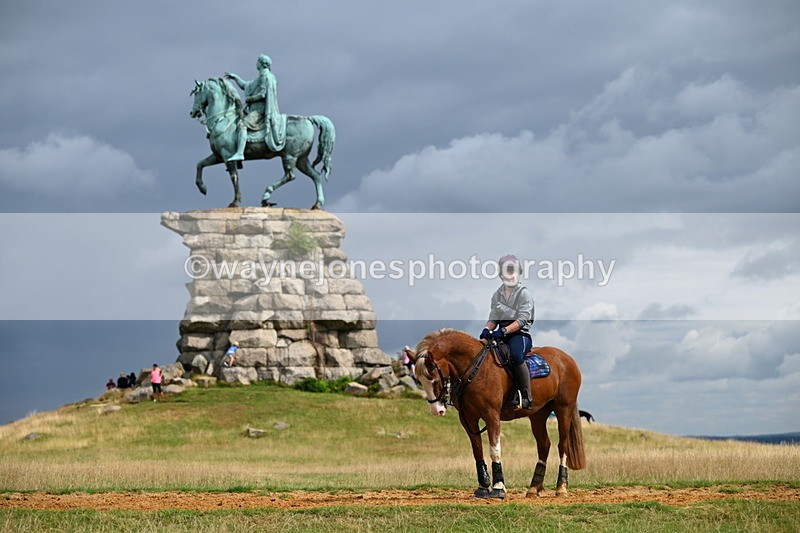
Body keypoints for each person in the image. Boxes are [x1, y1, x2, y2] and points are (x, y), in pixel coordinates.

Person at [479, 254, 535, 409]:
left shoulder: (524, 294)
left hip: (520, 335)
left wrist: (504, 331)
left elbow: (523, 319)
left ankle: (526, 396)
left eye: (512, 271)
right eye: (507, 271)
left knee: (516, 356)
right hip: (501, 335)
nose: (510, 274)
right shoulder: (497, 295)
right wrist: (486, 329)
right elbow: (493, 317)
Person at [225, 54, 287, 160]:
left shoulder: (265, 76)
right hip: (257, 109)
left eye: (257, 62)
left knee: (242, 125)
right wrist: (235, 78)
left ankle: (240, 153)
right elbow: (246, 85)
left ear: (262, 64)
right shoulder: (265, 76)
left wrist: (250, 99)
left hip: (260, 111)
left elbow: (262, 94)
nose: (256, 64)